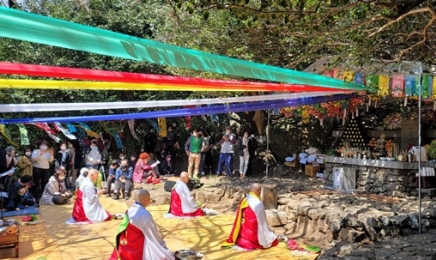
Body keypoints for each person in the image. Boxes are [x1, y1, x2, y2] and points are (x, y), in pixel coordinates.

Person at [109, 189, 175, 260]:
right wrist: (165, 249)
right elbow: (153, 236)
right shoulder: (144, 215)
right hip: (136, 247)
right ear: (145, 199)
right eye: (149, 198)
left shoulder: (131, 209)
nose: (150, 200)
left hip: (127, 244)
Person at [222, 183, 278, 250]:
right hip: (253, 234)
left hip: (244, 232)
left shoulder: (245, 200)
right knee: (274, 241)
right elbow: (263, 223)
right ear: (257, 190)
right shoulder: (258, 204)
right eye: (260, 190)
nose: (260, 192)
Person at [31, 140, 54, 205]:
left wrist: (51, 155)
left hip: (46, 168)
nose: (44, 146)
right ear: (39, 145)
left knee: (45, 182)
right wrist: (40, 154)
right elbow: (33, 159)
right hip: (37, 168)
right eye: (43, 145)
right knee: (36, 182)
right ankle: (34, 194)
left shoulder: (48, 151)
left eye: (46, 145)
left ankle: (43, 195)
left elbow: (50, 160)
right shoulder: (36, 151)